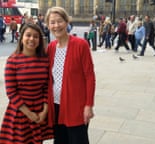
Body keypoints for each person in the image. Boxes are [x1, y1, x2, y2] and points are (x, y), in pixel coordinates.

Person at [45, 7, 96, 144]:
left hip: (76, 107)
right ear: (48, 25)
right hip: (56, 106)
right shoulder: (50, 48)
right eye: (52, 22)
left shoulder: (81, 45)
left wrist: (88, 105)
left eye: (60, 21)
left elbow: (89, 77)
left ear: (67, 22)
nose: (56, 26)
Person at [0, 23, 53, 144]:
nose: (32, 39)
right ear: (21, 37)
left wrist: (45, 109)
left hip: (39, 111)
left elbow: (46, 87)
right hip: (20, 112)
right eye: (28, 35)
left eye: (36, 36)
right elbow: (11, 92)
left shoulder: (44, 60)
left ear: (40, 40)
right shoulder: (13, 60)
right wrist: (28, 113)